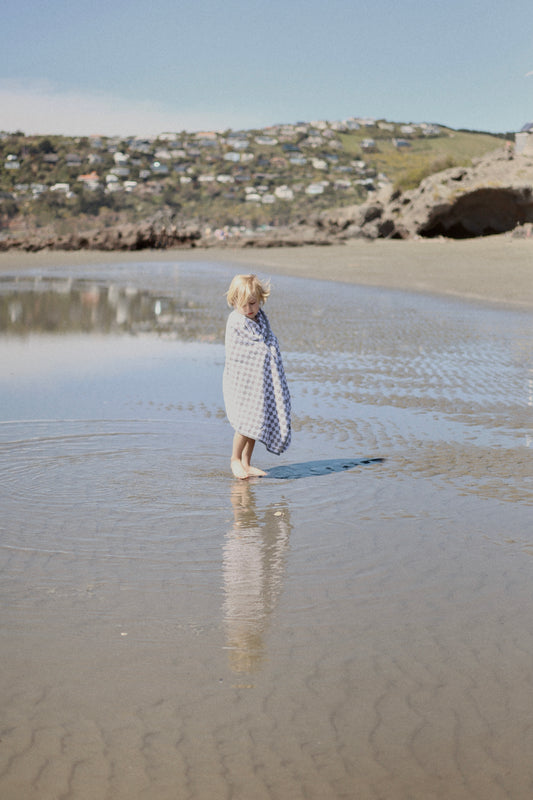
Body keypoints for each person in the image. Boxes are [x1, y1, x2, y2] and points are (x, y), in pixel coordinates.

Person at [223, 274, 291, 479]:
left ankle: (246, 462)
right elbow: (239, 351)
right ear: (234, 302)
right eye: (243, 304)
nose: (249, 309)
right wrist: (263, 351)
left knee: (256, 419)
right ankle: (234, 459)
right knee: (245, 422)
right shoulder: (236, 322)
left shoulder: (261, 319)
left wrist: (269, 351)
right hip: (242, 381)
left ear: (260, 299)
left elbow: (267, 341)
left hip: (259, 381)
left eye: (253, 303)